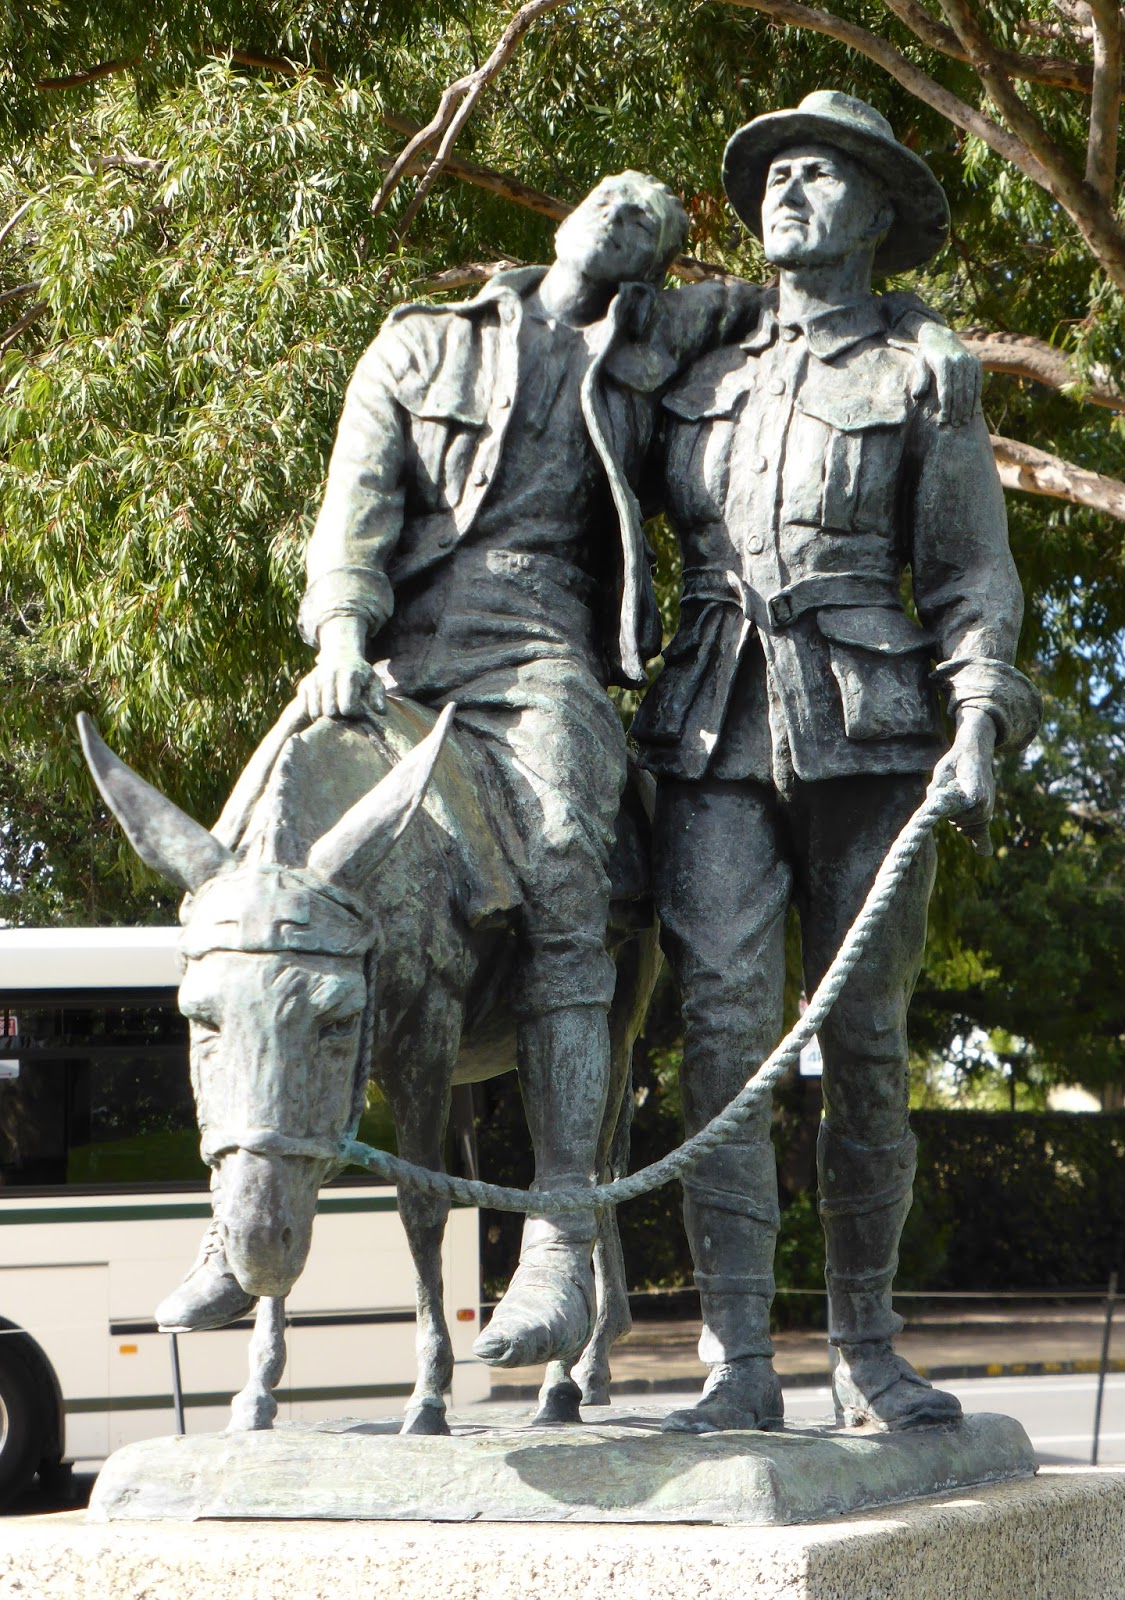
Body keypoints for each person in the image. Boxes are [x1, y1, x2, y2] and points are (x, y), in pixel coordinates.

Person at [156, 162, 979, 1378]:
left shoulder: (659, 344)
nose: (630, 222)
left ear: (659, 266)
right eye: (616, 203)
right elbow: (355, 504)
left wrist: (924, 329)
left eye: (657, 225)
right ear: (571, 215)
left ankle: (558, 1221)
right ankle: (242, 1217)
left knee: (562, 869)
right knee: (243, 874)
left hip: (540, 657)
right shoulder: (422, 342)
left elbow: (817, 303)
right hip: (391, 658)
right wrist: (338, 633)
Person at [632, 91, 1041, 1434]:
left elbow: (975, 577)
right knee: (725, 1047)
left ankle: (867, 1349)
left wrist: (982, 714)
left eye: (822, 173)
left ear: (877, 213)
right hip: (710, 730)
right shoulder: (698, 363)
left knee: (863, 1050)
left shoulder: (925, 373)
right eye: (776, 173)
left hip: (870, 733)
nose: (789, 189)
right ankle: (735, 1366)